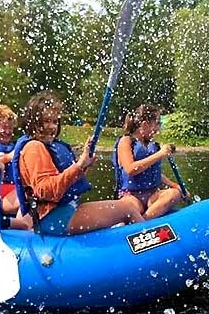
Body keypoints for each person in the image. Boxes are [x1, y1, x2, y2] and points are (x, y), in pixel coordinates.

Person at [12, 90, 144, 236]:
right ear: (34, 122)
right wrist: (79, 165)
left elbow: (68, 183)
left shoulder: (48, 146)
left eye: (55, 121)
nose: (52, 126)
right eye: (46, 121)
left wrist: (84, 164)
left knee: (121, 211)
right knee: (127, 209)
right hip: (53, 218)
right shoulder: (34, 147)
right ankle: (152, 244)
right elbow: (46, 191)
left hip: (62, 212)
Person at [113, 104, 185, 219]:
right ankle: (141, 222)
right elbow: (131, 169)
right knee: (131, 207)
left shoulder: (152, 145)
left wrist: (175, 185)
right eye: (157, 124)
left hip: (153, 195)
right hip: (131, 196)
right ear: (145, 125)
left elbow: (154, 171)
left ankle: (143, 220)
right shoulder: (126, 141)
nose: (158, 129)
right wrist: (160, 154)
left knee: (174, 194)